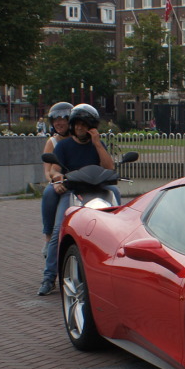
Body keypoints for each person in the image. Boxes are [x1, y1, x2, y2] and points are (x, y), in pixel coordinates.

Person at [39, 104, 119, 296]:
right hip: (72, 191)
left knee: (114, 190)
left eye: (85, 125)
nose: (80, 128)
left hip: (98, 188)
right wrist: (58, 180)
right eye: (77, 125)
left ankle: (119, 226)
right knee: (60, 230)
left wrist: (98, 143)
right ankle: (49, 277)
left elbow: (109, 168)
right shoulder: (65, 146)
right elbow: (55, 170)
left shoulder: (96, 144)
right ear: (73, 125)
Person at [39, 102, 73, 254]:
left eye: (62, 118)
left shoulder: (79, 139)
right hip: (59, 180)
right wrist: (56, 181)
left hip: (79, 180)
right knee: (48, 193)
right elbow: (48, 171)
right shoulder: (52, 142)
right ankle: (48, 237)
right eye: (55, 119)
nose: (59, 123)